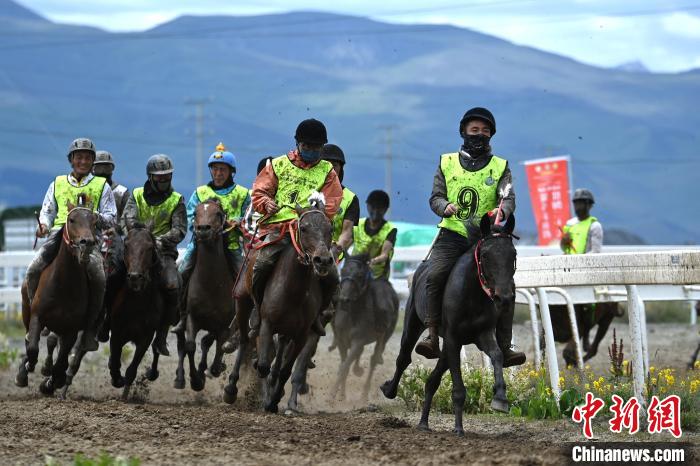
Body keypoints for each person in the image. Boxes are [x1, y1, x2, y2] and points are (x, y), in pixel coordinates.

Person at [414, 107, 525, 367]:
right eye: (474, 130)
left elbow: (508, 197)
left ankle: (506, 345)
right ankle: (432, 334)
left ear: (491, 135)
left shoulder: (500, 166)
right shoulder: (446, 162)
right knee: (435, 274)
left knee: (506, 285)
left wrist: (502, 210)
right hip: (452, 235)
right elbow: (435, 197)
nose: (480, 135)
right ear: (463, 132)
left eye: (485, 131)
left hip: (485, 238)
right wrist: (444, 207)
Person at [250, 118, 343, 335]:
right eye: (307, 146)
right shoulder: (278, 165)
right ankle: (257, 309)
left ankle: (318, 314)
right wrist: (266, 203)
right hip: (279, 228)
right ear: (297, 144)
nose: (311, 150)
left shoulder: (328, 171)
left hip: (311, 232)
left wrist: (314, 214)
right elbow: (259, 191)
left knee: (332, 275)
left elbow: (332, 203)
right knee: (261, 264)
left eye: (316, 147)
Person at [27, 138, 116, 351]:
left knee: (99, 278)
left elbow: (112, 217)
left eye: (87, 158)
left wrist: (94, 217)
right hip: (59, 236)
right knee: (33, 270)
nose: (83, 162)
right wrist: (44, 226)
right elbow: (48, 211)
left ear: (92, 161)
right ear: (71, 160)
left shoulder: (101, 186)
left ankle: (89, 329)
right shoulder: (57, 183)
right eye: (79, 157)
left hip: (88, 240)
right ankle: (35, 315)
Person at [172, 143, 250, 333]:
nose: (218, 173)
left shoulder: (243, 193)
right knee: (182, 273)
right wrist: (199, 226)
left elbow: (249, 217)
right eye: (215, 169)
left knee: (247, 281)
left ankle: (245, 320)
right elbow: (190, 216)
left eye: (223, 169)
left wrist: (239, 222)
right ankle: (182, 316)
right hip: (200, 245)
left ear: (231, 172)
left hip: (232, 245)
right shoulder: (200, 193)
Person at [122, 154, 186, 356]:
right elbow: (127, 220)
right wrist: (142, 239)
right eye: (159, 176)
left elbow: (180, 230)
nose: (164, 179)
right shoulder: (136, 195)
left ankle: (162, 335)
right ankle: (104, 324)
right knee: (112, 276)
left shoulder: (177, 200)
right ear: (150, 177)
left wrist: (159, 241)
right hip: (137, 249)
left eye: (167, 176)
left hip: (164, 252)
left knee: (173, 284)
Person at [322, 144, 359, 260]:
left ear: (340, 169)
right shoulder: (307, 191)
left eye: (334, 165)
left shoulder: (350, 198)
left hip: (334, 255)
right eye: (326, 164)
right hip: (306, 249)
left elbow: (347, 233)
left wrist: (335, 251)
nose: (330, 168)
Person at [352, 190, 396, 280]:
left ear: (385, 209)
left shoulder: (390, 229)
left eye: (379, 208)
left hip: (377, 276)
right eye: (373, 207)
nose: (375, 211)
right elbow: (346, 241)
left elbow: (384, 255)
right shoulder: (358, 224)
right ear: (367, 206)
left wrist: (372, 262)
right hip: (355, 272)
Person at [560, 189, 603, 255]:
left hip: (586, 261)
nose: (578, 207)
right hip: (570, 261)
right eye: (576, 204)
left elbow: (595, 252)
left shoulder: (595, 226)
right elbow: (564, 248)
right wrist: (563, 242)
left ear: (589, 205)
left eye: (581, 203)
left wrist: (579, 259)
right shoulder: (570, 224)